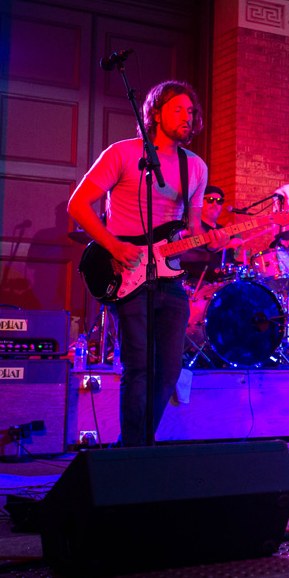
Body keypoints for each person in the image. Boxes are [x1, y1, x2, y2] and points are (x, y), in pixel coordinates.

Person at [68, 80, 228, 445]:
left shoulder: (196, 168)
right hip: (126, 271)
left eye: (191, 111)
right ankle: (134, 452)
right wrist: (115, 246)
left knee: (169, 370)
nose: (187, 117)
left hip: (169, 279)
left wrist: (212, 240)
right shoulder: (122, 154)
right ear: (155, 114)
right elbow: (78, 206)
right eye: (178, 110)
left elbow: (192, 229)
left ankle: (138, 446)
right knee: (138, 367)